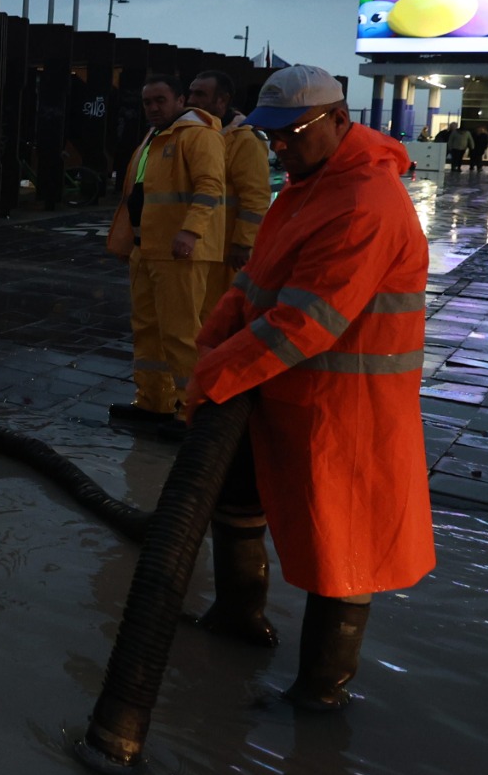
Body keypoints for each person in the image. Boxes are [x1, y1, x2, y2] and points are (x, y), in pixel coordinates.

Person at [184, 65, 431, 711]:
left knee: (339, 545)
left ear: (339, 121)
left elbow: (305, 322)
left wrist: (215, 374)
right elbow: (257, 281)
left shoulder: (363, 204)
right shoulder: (305, 186)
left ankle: (322, 691)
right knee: (237, 497)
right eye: (271, 137)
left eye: (291, 134)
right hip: (281, 391)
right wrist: (216, 338)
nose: (279, 148)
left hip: (344, 409)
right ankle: (239, 618)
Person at [107, 74, 226, 435]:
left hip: (180, 251)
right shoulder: (155, 137)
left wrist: (190, 231)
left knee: (181, 334)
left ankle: (191, 412)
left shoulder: (197, 135)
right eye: (147, 102)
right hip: (148, 248)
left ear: (179, 100)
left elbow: (210, 187)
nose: (153, 108)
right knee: (148, 329)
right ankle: (153, 402)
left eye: (160, 100)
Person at [191, 70, 272, 272]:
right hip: (197, 242)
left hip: (225, 248)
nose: (191, 100)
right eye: (191, 93)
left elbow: (255, 195)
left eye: (200, 95)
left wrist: (243, 242)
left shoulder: (245, 140)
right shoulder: (195, 134)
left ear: (223, 99)